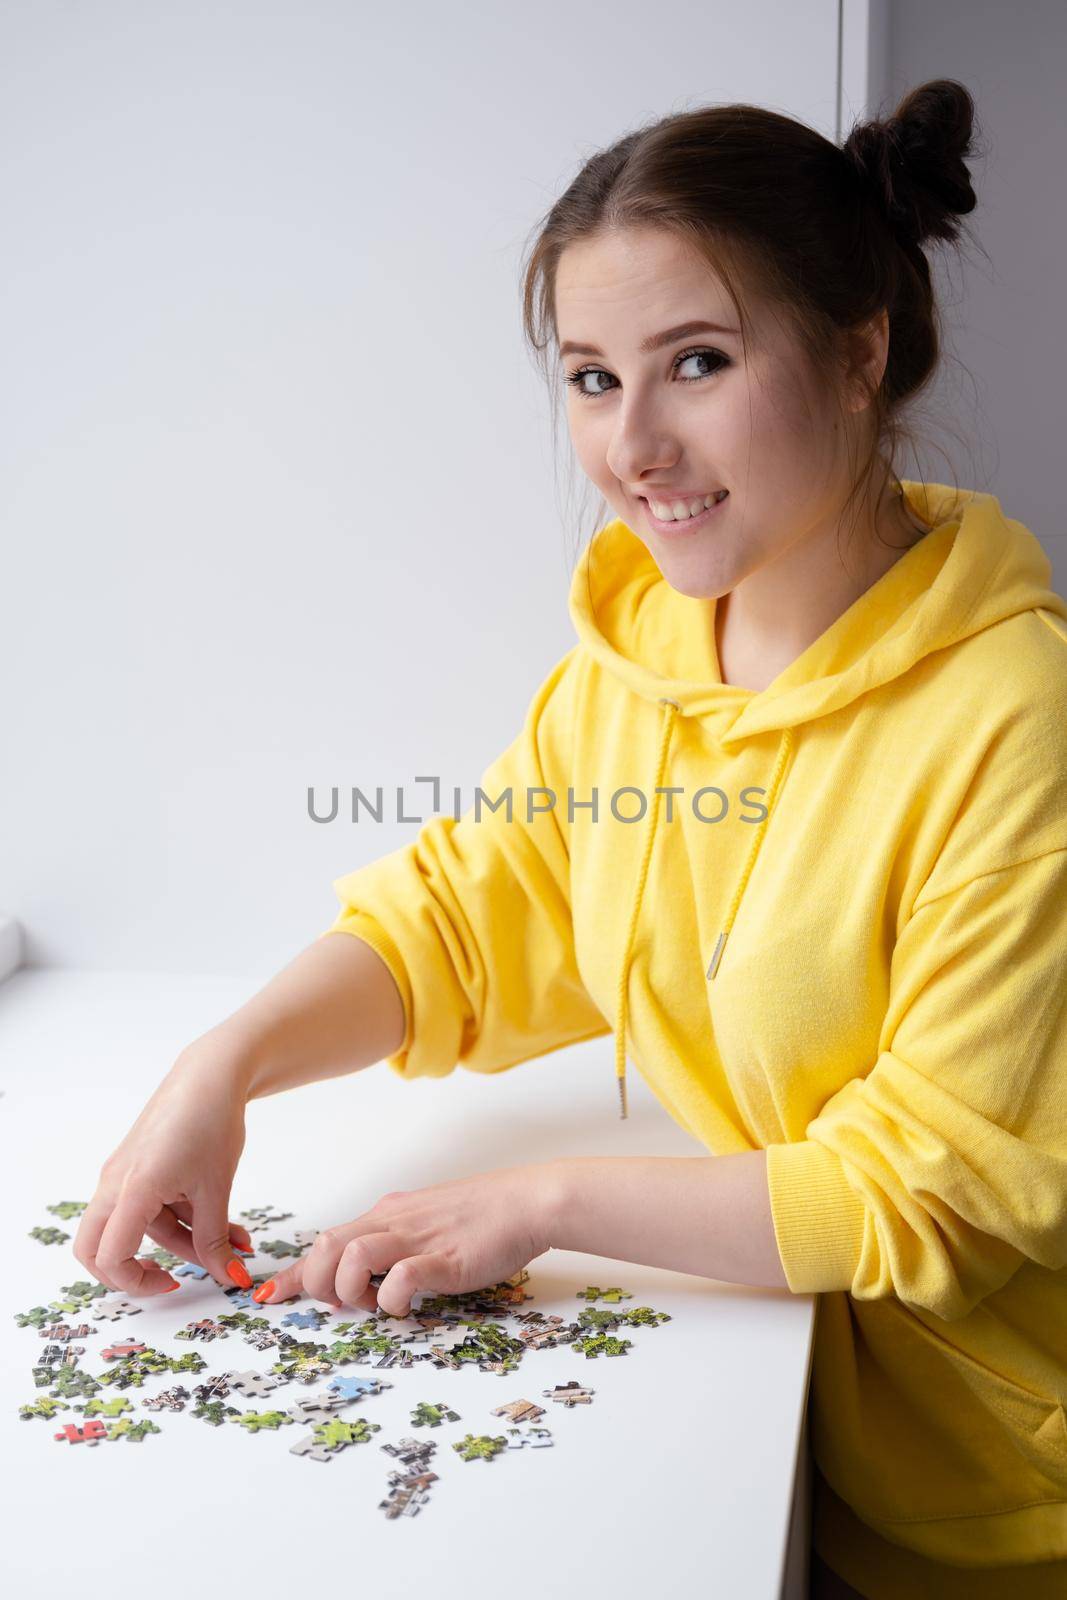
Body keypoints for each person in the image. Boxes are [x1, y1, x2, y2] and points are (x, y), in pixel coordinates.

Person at [74, 79, 1067, 1599]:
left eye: (700, 363)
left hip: (1000, 1517)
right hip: (779, 1440)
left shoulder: (1019, 719)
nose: (636, 446)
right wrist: (222, 1067)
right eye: (593, 378)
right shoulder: (643, 660)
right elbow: (476, 915)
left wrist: (537, 1203)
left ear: (862, 352)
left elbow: (932, 1192)